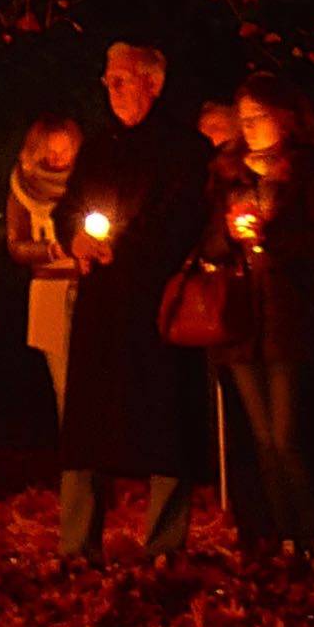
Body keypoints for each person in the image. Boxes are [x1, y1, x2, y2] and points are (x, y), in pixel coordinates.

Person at [56, 43, 213, 560]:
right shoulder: (98, 147)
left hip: (154, 304)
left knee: (165, 421)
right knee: (86, 429)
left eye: (122, 78)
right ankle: (78, 544)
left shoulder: (185, 149)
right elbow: (70, 206)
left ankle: (165, 543)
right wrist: (75, 240)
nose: (113, 89)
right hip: (101, 303)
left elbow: (181, 219)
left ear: (154, 83)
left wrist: (121, 247)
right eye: (108, 80)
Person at [198, 78, 314, 555]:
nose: (249, 127)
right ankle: (283, 530)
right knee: (263, 434)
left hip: (289, 315)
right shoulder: (227, 172)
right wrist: (229, 236)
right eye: (243, 118)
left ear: (285, 117)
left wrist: (274, 241)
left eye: (259, 117)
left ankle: (313, 532)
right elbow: (207, 240)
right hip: (242, 318)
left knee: (289, 432)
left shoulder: (310, 169)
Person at [4, 117, 84, 420]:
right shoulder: (23, 187)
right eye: (50, 151)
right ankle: (73, 465)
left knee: (96, 380)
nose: (58, 158)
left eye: (65, 150)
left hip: (88, 285)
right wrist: (50, 249)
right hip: (49, 291)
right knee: (63, 385)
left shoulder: (85, 183)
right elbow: (16, 246)